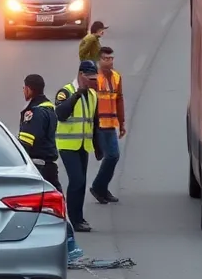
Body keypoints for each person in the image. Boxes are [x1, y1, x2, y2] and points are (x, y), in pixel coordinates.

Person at [19, 74, 82, 261]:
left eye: (24, 88)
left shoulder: (34, 112)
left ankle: (67, 247)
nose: (23, 91)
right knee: (56, 207)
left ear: (29, 89)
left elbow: (26, 143)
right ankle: (69, 246)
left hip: (38, 167)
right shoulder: (49, 109)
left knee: (32, 208)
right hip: (48, 166)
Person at [55, 61, 102, 233]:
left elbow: (94, 122)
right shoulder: (65, 92)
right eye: (89, 78)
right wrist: (76, 95)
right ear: (81, 75)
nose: (92, 81)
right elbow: (60, 114)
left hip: (83, 145)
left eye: (94, 78)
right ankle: (73, 219)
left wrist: (98, 146)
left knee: (81, 183)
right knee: (77, 180)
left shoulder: (93, 95)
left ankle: (79, 218)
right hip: (67, 145)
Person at [90, 46, 126, 205]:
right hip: (99, 123)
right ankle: (98, 187)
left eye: (111, 58)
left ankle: (102, 188)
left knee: (113, 156)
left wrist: (122, 122)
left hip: (110, 123)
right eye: (106, 58)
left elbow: (119, 99)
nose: (109, 61)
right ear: (99, 60)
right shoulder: (95, 78)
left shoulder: (117, 77)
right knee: (111, 156)